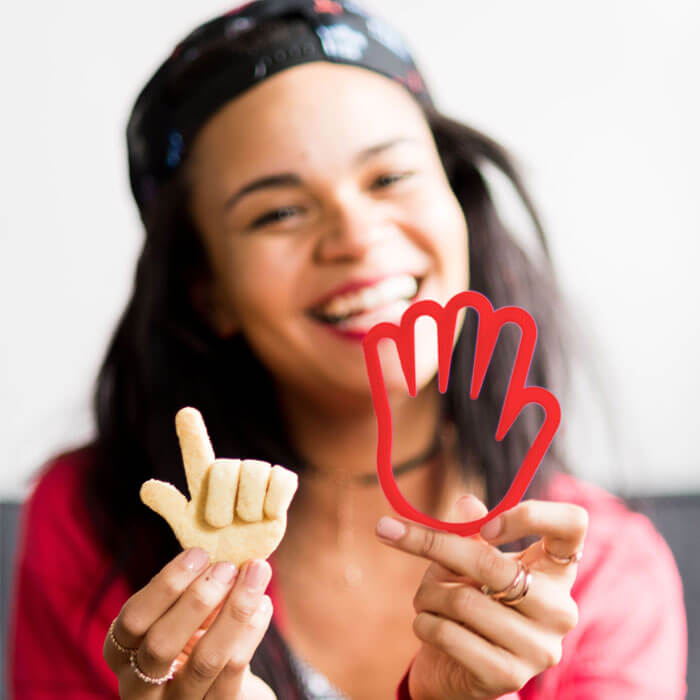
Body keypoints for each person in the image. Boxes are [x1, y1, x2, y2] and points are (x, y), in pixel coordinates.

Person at [9, 1, 687, 698]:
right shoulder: (92, 527)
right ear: (207, 287)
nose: (357, 239)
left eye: (390, 178)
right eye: (279, 212)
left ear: (458, 204)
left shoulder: (606, 576)